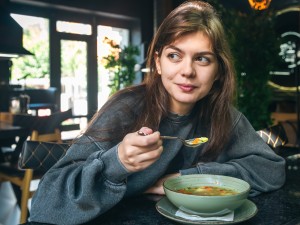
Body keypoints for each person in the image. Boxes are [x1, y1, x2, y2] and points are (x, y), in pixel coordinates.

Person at [28, 1, 285, 224]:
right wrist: (116, 163)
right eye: (175, 56)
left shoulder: (223, 115)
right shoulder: (126, 108)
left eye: (202, 59)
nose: (187, 71)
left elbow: (271, 169)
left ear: (218, 71)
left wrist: (188, 179)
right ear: (158, 62)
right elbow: (45, 203)